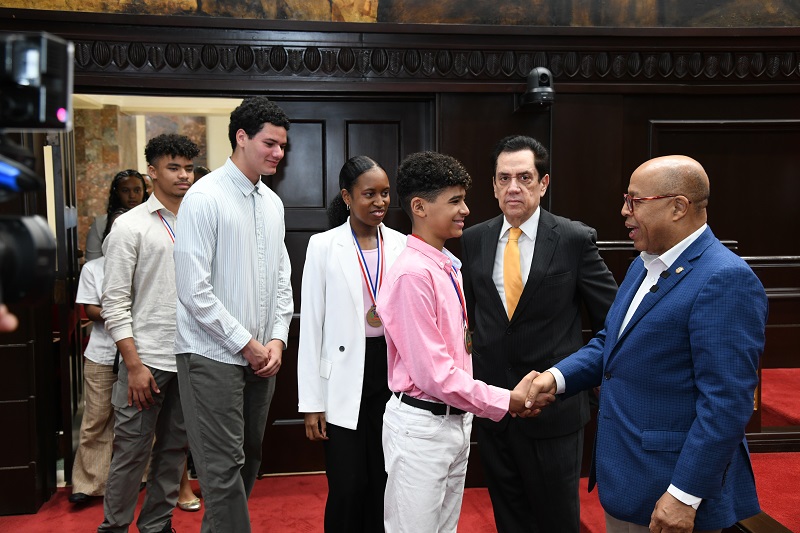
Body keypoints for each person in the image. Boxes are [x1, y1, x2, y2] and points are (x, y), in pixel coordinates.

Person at [523, 155, 768, 533]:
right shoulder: (644, 263)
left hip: (671, 493)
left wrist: (685, 494)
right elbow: (613, 341)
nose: (624, 211)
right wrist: (555, 378)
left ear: (678, 207)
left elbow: (727, 402)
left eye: (635, 201)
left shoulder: (725, 279)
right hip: (628, 478)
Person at [375, 151, 552, 533]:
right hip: (422, 427)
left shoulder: (445, 264)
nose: (466, 210)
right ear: (419, 207)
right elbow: (435, 375)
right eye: (455, 201)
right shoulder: (413, 275)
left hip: (455, 422)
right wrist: (506, 400)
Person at [459, 135, 617, 533]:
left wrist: (587, 384)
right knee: (509, 518)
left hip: (554, 412)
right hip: (495, 409)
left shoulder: (573, 239)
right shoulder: (472, 240)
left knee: (556, 521)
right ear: (493, 185)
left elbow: (611, 323)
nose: (514, 187)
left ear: (543, 184)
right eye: (504, 178)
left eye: (525, 177)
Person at [173, 96, 293, 533]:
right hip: (211, 355)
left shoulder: (272, 202)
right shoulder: (204, 197)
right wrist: (247, 343)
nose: (278, 153)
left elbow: (282, 276)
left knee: (250, 458)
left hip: (262, 357)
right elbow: (193, 290)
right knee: (222, 468)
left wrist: (277, 338)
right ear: (241, 137)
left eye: (283, 145)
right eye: (270, 143)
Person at [297, 156, 406, 532]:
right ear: (347, 196)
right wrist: (311, 403)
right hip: (342, 378)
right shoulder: (323, 246)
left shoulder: (403, 244)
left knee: (384, 480)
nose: (380, 202)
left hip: (389, 374)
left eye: (385, 194)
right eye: (369, 194)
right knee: (347, 485)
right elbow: (310, 327)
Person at [99, 134, 199, 533]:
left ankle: (157, 526)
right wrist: (134, 364)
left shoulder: (199, 218)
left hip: (191, 357)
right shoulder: (130, 226)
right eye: (173, 168)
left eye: (189, 168)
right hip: (146, 360)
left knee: (175, 451)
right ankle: (114, 528)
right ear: (152, 173)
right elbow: (114, 303)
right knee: (131, 453)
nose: (183, 176)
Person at [69, 207, 128, 506]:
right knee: (96, 420)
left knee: (134, 421)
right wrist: (119, 313)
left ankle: (139, 478)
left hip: (139, 356)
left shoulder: (144, 264)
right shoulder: (94, 268)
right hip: (103, 353)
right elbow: (90, 309)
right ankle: (88, 483)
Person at [85, 169, 148, 261]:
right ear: (117, 193)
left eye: (137, 190)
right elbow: (92, 262)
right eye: (125, 191)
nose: (132, 196)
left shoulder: (155, 220)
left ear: (144, 192)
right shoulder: (100, 223)